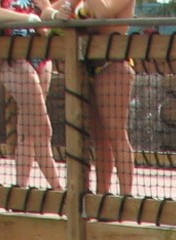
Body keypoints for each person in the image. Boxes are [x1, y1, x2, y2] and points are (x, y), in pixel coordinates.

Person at [50, 0, 137, 195]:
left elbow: (102, 14)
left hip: (113, 64)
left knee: (116, 133)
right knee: (99, 138)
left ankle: (126, 197)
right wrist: (60, 11)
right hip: (85, 65)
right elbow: (48, 14)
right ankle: (101, 196)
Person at [0, 0, 63, 190]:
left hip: (41, 56)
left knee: (27, 128)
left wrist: (52, 17)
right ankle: (60, 190)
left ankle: (20, 191)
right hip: (14, 57)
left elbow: (47, 10)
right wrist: (28, 18)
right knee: (42, 128)